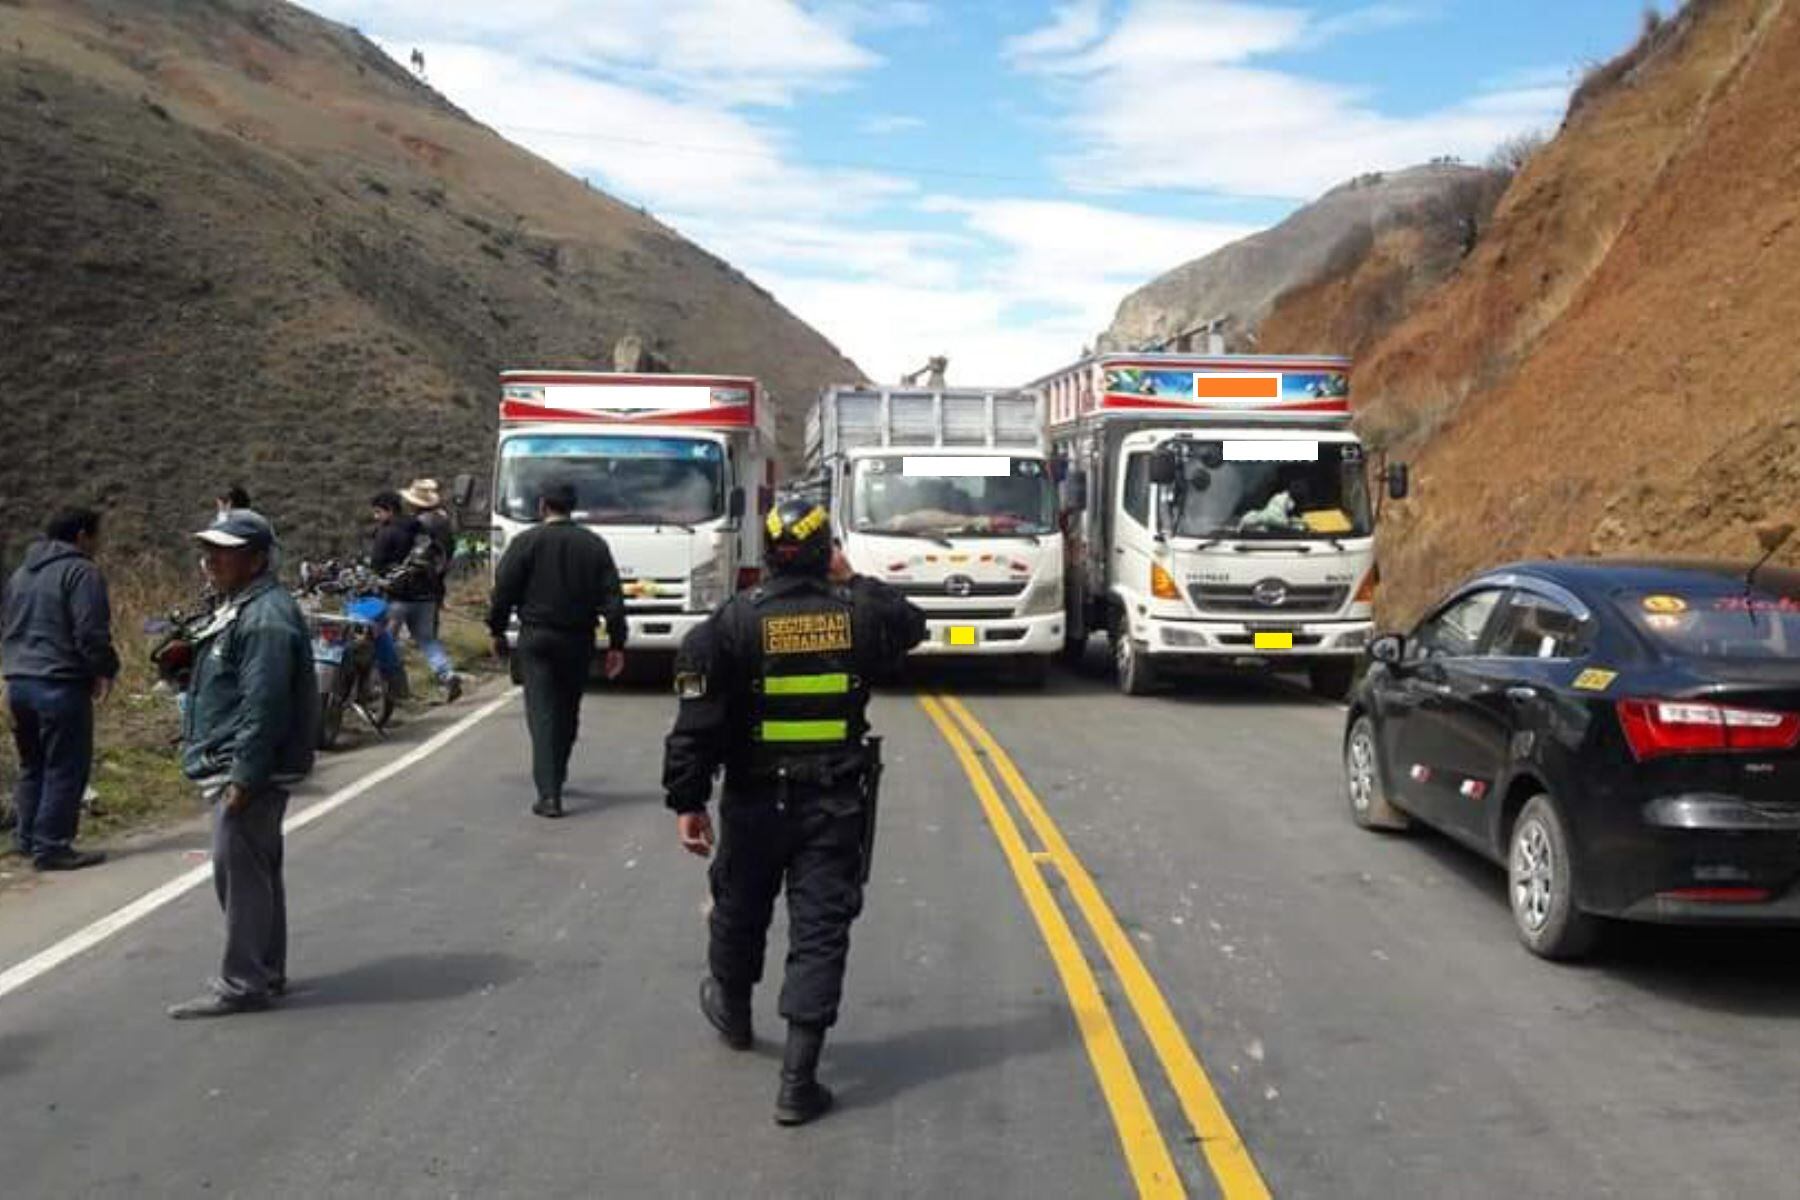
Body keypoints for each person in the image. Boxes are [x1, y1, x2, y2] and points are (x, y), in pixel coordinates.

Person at [663, 502, 925, 1126]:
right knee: (820, 933)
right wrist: (852, 578)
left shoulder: (728, 625)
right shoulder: (857, 613)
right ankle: (797, 1082)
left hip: (754, 801)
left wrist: (687, 800)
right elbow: (914, 625)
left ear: (768, 553)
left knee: (737, 910)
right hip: (832, 804)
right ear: (825, 553)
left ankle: (732, 1014)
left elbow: (694, 725)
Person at [168, 510, 316, 1019]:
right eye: (209, 549)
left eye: (224, 551)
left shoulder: (264, 617)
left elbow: (265, 703)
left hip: (247, 766)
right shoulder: (246, 605)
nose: (211, 560)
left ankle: (243, 982)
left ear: (256, 560)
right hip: (240, 760)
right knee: (256, 870)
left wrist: (244, 776)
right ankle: (265, 970)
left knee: (240, 874)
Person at [485, 481, 628, 818]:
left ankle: (549, 793)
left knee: (542, 711)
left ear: (542, 506)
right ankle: (557, 774)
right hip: (578, 639)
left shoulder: (525, 543)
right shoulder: (593, 545)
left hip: (536, 638)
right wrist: (617, 643)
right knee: (568, 709)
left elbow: (503, 591)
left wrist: (496, 630)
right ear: (572, 506)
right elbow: (612, 599)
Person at [1, 508, 120, 870]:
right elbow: (90, 633)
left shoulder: (21, 574)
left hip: (19, 681)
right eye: (97, 536)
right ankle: (52, 845)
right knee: (65, 766)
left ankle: (28, 837)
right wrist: (105, 669)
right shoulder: (81, 572)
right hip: (60, 682)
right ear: (82, 536)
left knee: (33, 763)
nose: (100, 544)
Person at [370, 491, 459, 702]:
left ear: (389, 510)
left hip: (397, 597)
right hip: (426, 596)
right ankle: (448, 674)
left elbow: (376, 565)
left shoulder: (386, 533)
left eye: (378, 512)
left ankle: (386, 689)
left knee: (386, 643)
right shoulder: (421, 529)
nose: (376, 517)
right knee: (428, 640)